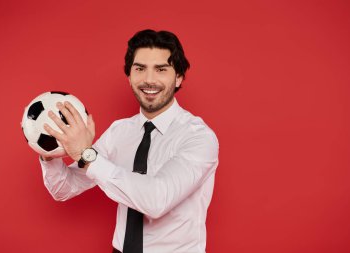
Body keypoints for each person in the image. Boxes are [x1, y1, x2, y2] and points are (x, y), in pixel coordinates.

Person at [40, 29, 219, 253]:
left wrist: (87, 154)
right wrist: (49, 149)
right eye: (140, 69)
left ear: (179, 77)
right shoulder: (119, 131)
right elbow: (64, 189)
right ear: (130, 76)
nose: (149, 79)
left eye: (161, 69)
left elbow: (156, 201)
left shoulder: (198, 137)